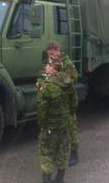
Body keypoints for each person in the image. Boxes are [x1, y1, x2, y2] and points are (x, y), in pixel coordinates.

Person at [37, 41, 79, 183]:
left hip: (65, 100)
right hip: (52, 98)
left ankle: (74, 152)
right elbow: (43, 76)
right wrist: (41, 84)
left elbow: (73, 80)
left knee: (70, 129)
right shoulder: (46, 61)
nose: (53, 54)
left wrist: (57, 76)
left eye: (55, 51)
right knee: (59, 137)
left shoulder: (66, 63)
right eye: (50, 51)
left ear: (60, 51)